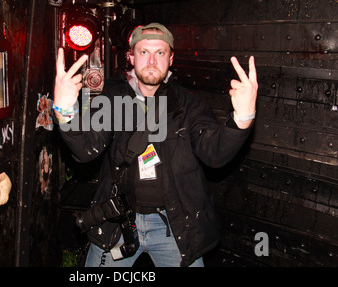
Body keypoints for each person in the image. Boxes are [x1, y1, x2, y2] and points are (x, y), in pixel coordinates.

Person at [52, 23, 258, 267]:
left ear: (171, 59)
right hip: (118, 220)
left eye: (160, 53)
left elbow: (214, 153)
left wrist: (243, 118)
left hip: (174, 224)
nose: (151, 61)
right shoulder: (112, 99)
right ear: (131, 58)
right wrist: (65, 111)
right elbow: (86, 150)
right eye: (143, 52)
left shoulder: (189, 105)